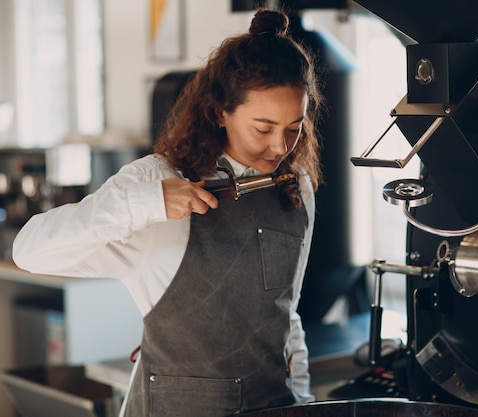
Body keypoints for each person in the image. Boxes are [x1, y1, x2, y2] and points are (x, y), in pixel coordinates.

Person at [13, 8, 323, 417]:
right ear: (220, 113)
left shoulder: (294, 187)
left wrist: (301, 399)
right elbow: (29, 251)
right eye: (262, 128)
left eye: (294, 127)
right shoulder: (153, 181)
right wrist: (146, 203)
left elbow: (285, 312)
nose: (280, 147)